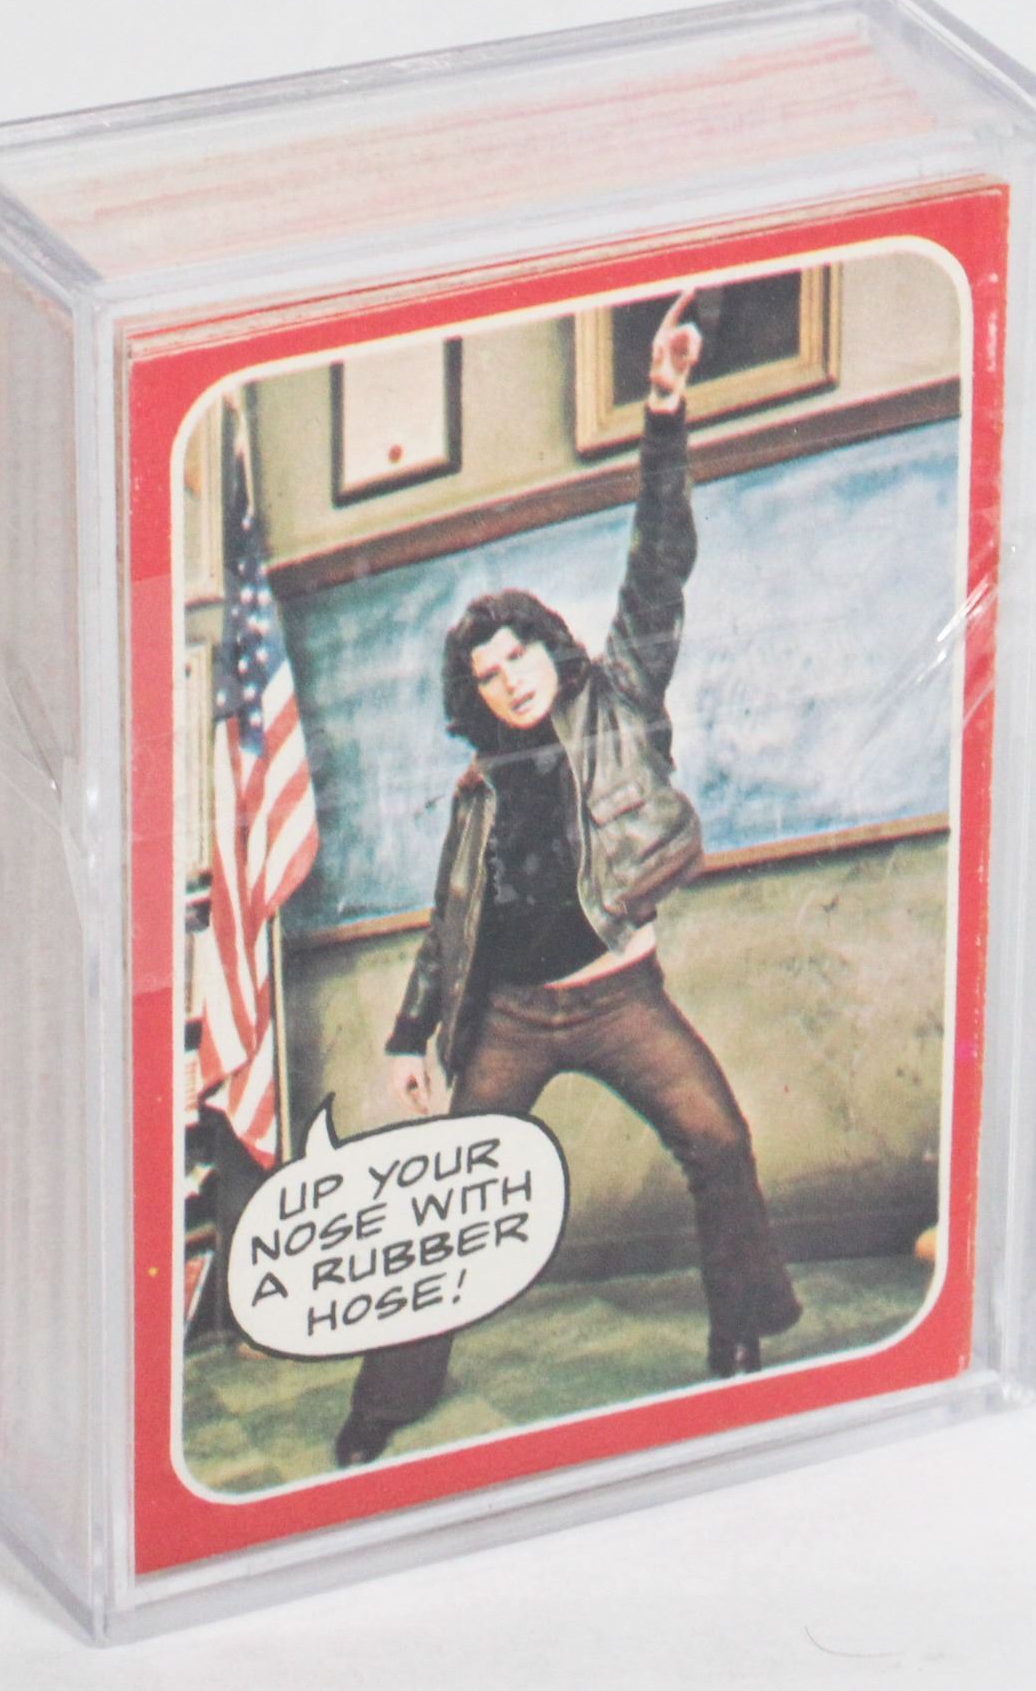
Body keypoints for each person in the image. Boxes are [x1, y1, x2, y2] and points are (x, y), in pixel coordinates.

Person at [335, 291, 801, 1467]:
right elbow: (451, 932)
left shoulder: (622, 696)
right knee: (448, 1194)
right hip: (509, 1019)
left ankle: (742, 1330)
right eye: (488, 675)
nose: (512, 680)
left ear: (553, 647)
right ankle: (384, 1400)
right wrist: (409, 1039)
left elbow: (660, 556)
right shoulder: (478, 791)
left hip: (621, 997)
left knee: (718, 1140)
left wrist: (664, 409)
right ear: (476, 697)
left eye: (522, 655)